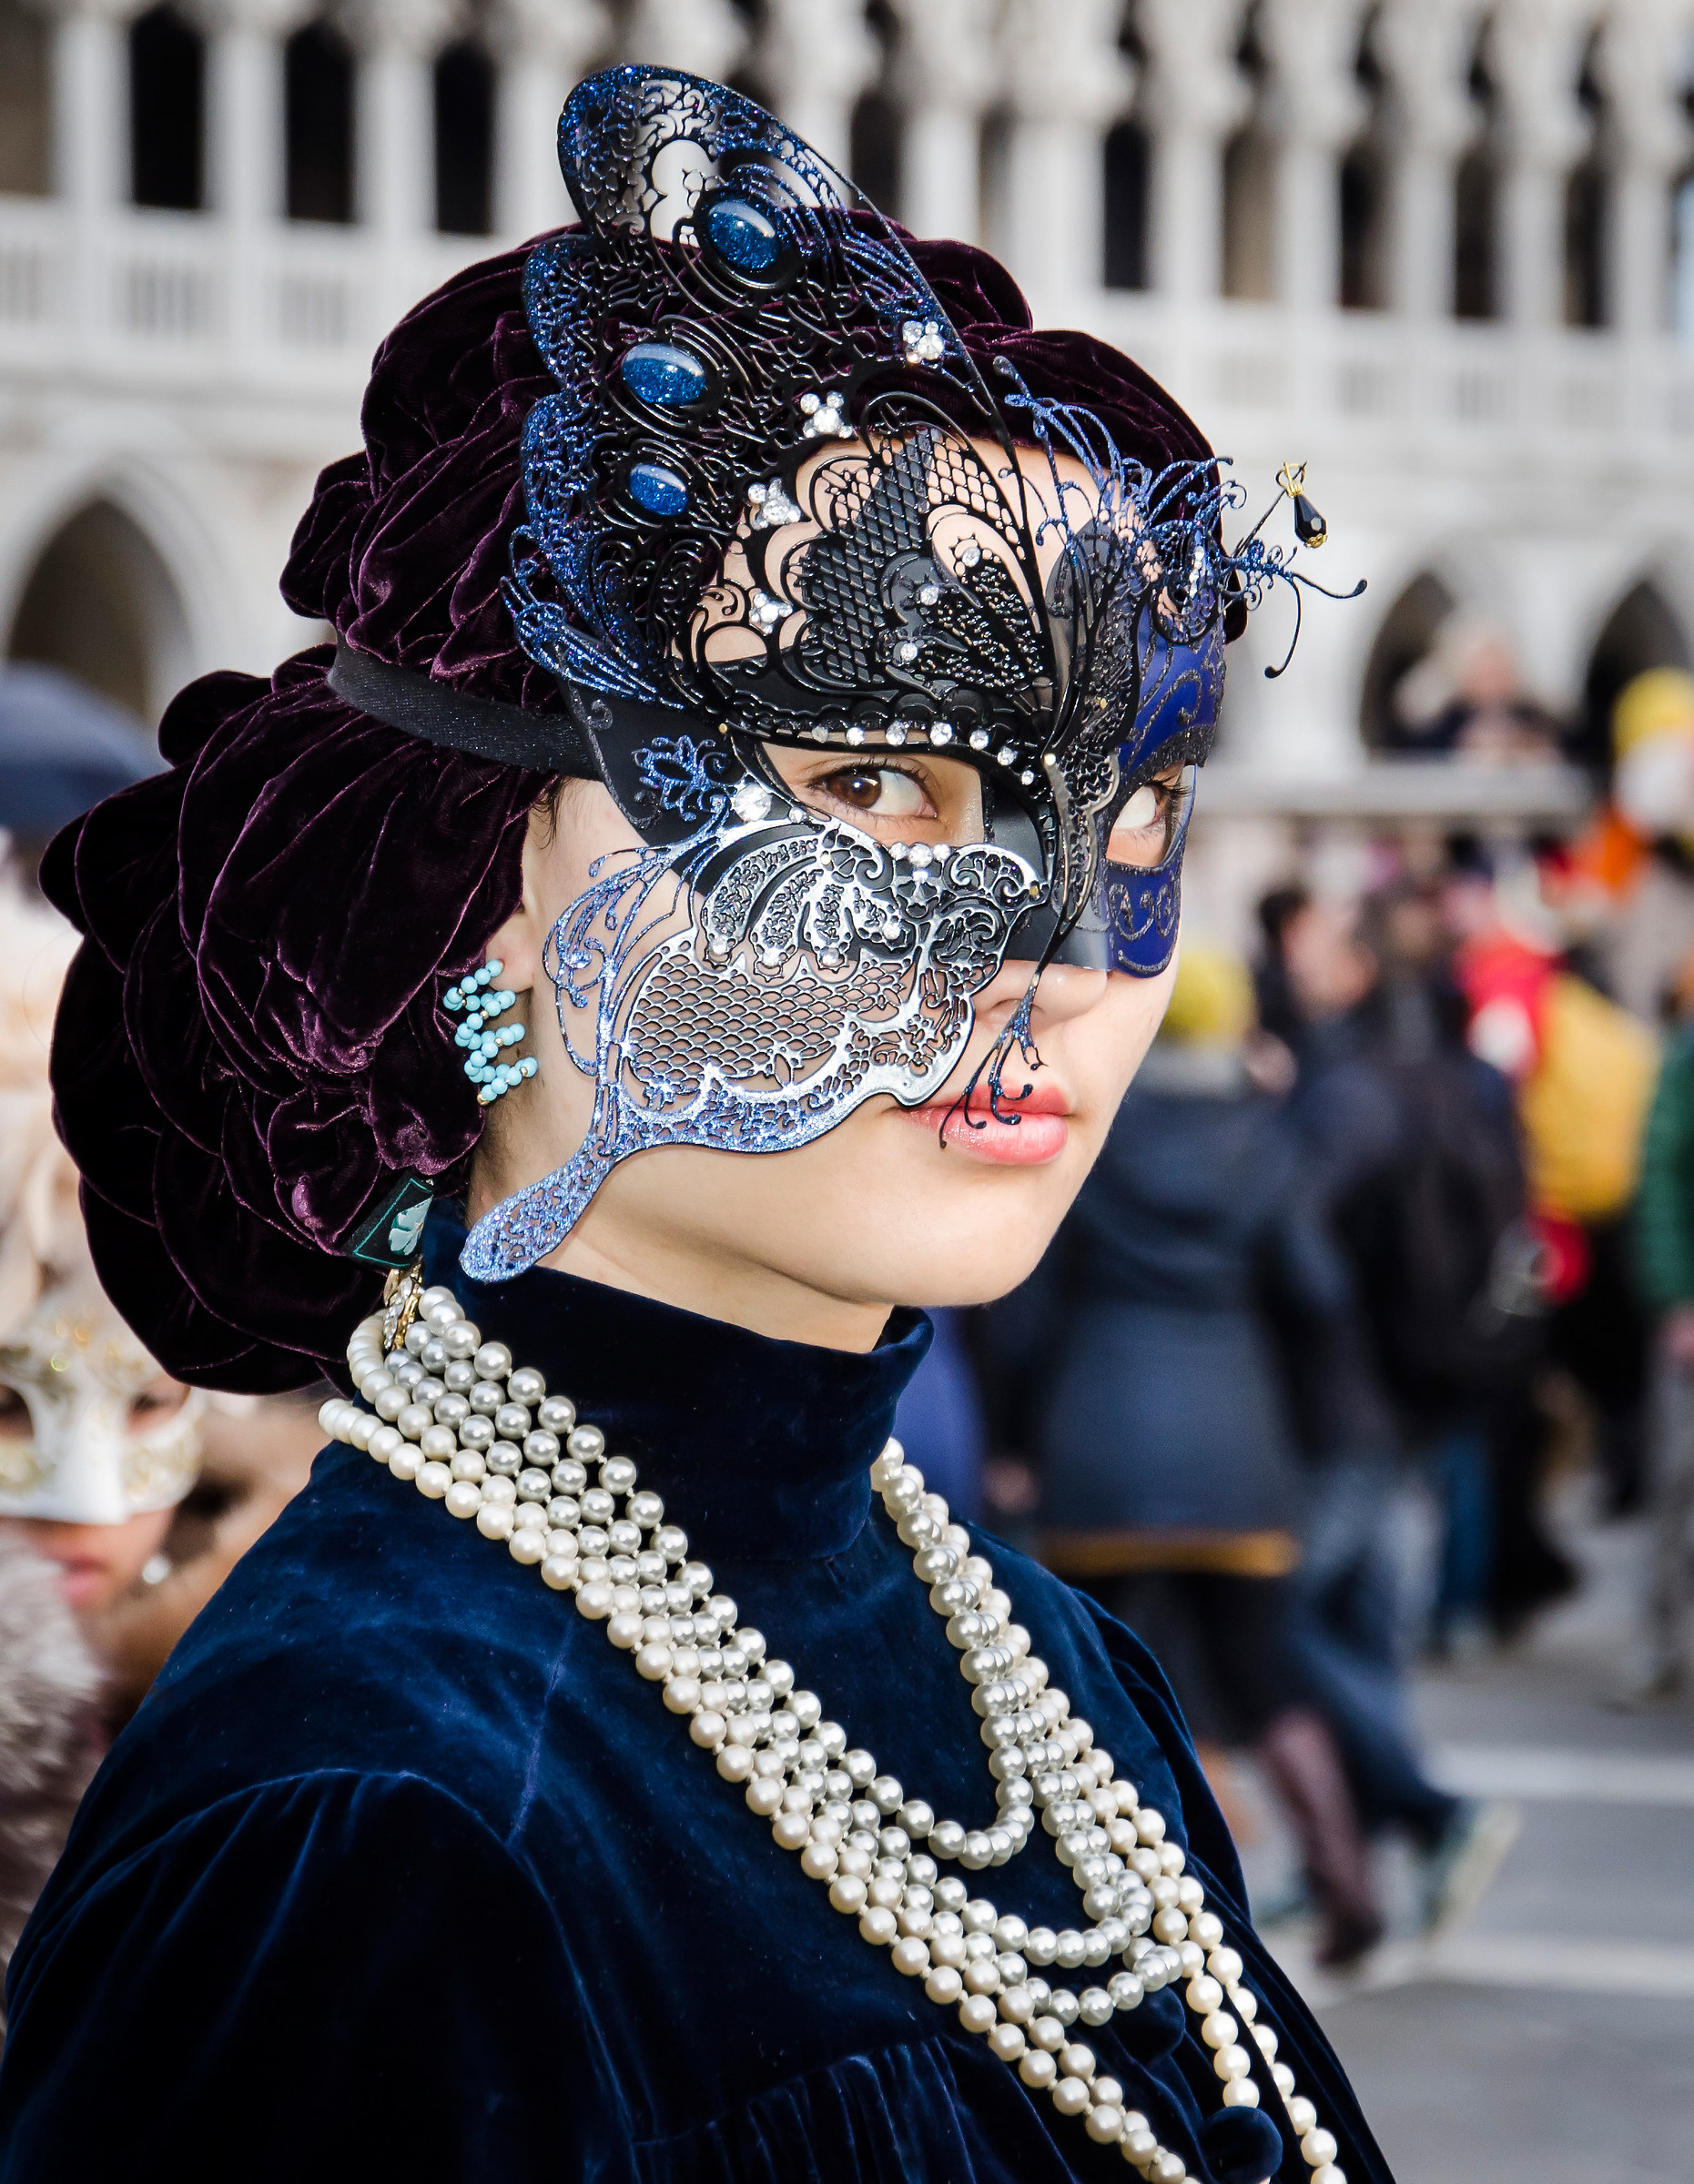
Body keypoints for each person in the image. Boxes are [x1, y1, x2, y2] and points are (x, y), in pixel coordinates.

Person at [0, 71, 1386, 2184]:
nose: (1057, 956)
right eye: (877, 790)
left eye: (1126, 824)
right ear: (487, 869)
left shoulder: (1039, 1671)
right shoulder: (375, 1822)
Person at [1030, 944, 1384, 1968]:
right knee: (1263, 1673)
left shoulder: (1089, 1135)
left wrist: (1013, 1440)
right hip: (1237, 1449)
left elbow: (1027, 1313)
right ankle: (1343, 1879)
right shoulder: (1267, 1142)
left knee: (1099, 1680)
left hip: (1098, 1442)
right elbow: (1317, 1292)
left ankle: (1134, 1907)